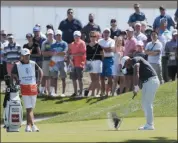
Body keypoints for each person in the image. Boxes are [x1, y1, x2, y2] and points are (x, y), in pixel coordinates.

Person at [121, 56, 160, 130]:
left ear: (128, 60)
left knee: (148, 103)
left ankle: (150, 125)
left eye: (126, 64)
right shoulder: (132, 66)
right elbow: (133, 75)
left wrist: (135, 86)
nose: (126, 66)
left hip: (152, 81)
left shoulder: (136, 59)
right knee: (144, 103)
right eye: (125, 65)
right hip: (146, 83)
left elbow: (137, 73)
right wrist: (136, 87)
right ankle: (148, 124)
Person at [11, 48, 43, 132]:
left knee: (31, 108)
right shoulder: (17, 64)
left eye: (28, 55)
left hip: (33, 88)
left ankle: (28, 126)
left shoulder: (33, 63)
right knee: (29, 108)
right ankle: (33, 125)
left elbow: (41, 71)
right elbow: (13, 74)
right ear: (21, 56)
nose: (27, 57)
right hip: (24, 87)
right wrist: (17, 80)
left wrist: (39, 82)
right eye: (25, 56)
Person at [49, 30, 68, 97]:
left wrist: (56, 53)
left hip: (62, 62)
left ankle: (63, 93)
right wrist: (58, 53)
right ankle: (55, 92)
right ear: (55, 36)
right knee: (54, 78)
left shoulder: (64, 43)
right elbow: (51, 53)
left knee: (63, 78)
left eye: (59, 35)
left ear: (61, 35)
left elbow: (64, 53)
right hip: (53, 62)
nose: (58, 36)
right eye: (57, 35)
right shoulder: (52, 45)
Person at [84, 31, 103, 97]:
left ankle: (94, 93)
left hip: (97, 62)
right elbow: (85, 56)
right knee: (93, 79)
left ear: (96, 37)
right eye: (91, 36)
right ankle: (99, 92)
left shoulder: (99, 46)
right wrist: (85, 63)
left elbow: (102, 55)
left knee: (96, 79)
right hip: (89, 62)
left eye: (94, 36)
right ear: (89, 37)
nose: (92, 38)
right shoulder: (87, 46)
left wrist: (102, 64)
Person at [69, 31, 86, 97]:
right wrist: (71, 57)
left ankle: (81, 93)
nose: (76, 37)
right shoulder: (72, 44)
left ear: (80, 36)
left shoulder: (82, 43)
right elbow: (70, 53)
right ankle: (75, 92)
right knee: (73, 79)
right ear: (73, 36)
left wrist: (73, 55)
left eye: (78, 36)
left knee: (79, 79)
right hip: (73, 64)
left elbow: (82, 53)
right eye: (75, 36)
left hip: (80, 63)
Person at [98, 28, 115, 96]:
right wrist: (105, 48)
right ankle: (103, 92)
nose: (106, 34)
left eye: (107, 32)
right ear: (103, 33)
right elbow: (98, 50)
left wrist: (102, 47)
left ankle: (110, 91)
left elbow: (110, 50)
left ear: (109, 33)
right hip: (101, 60)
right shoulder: (99, 40)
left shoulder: (112, 41)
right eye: (105, 32)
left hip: (109, 59)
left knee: (110, 76)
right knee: (102, 77)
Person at [41, 29, 56, 96]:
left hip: (53, 61)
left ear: (53, 34)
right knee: (45, 76)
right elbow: (43, 53)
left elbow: (57, 53)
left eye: (51, 34)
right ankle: (42, 91)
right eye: (49, 34)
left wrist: (50, 53)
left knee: (52, 76)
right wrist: (50, 53)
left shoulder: (56, 42)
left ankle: (51, 92)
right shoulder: (44, 43)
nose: (50, 35)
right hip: (46, 61)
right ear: (47, 35)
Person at [158, 18, 172, 82]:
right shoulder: (158, 33)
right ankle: (165, 82)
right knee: (163, 70)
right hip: (162, 55)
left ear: (167, 23)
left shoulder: (170, 32)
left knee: (171, 68)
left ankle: (171, 81)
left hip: (171, 54)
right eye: (162, 22)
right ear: (160, 24)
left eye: (165, 22)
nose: (164, 24)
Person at [123, 27, 137, 92]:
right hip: (125, 61)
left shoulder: (134, 40)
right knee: (126, 76)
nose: (128, 33)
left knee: (130, 77)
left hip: (130, 60)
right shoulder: (127, 40)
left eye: (130, 32)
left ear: (132, 32)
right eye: (127, 32)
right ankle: (127, 90)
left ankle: (131, 90)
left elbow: (135, 51)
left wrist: (129, 56)